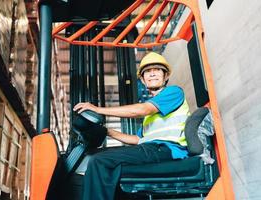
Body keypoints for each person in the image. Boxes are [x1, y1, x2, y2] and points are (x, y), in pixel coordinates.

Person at [73, 52, 190, 200]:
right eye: (148, 71)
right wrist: (107, 131)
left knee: (99, 161)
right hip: (152, 149)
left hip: (167, 150)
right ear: (142, 79)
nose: (152, 74)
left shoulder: (173, 92)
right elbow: (136, 139)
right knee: (104, 162)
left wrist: (98, 109)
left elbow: (141, 110)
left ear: (166, 76)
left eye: (157, 70)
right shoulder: (151, 115)